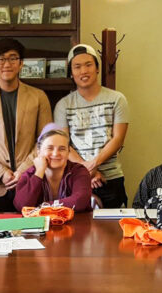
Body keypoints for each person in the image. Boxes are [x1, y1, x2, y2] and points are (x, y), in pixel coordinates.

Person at [0, 38, 53, 212]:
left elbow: (45, 139)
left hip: (31, 177)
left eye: (13, 58)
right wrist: (1, 171)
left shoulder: (38, 96)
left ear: (21, 64)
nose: (7, 64)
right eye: (1, 59)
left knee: (35, 231)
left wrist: (23, 170)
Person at [53, 44, 130, 208]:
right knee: (75, 231)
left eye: (88, 64)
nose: (83, 71)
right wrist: (87, 171)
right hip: (76, 178)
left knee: (113, 231)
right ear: (71, 73)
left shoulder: (117, 99)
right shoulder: (63, 105)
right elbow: (64, 145)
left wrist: (93, 165)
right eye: (77, 67)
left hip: (111, 178)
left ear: (97, 68)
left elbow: (118, 139)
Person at [13, 125, 92, 211]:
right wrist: (39, 172)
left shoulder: (79, 171)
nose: (55, 154)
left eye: (62, 149)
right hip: (40, 224)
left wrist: (44, 206)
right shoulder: (29, 174)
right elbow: (21, 206)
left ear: (68, 152)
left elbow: (79, 202)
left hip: (77, 223)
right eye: (50, 148)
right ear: (38, 152)